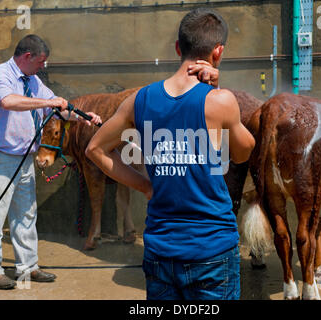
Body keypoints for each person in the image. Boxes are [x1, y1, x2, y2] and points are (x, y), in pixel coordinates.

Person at [85, 8, 254, 300]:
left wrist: (144, 185)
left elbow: (94, 149)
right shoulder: (221, 101)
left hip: (160, 252)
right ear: (218, 52)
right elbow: (243, 153)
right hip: (212, 251)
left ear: (178, 48)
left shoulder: (139, 100)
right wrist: (219, 91)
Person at [0, 34, 101, 290]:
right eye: (41, 61)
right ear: (27, 57)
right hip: (0, 156)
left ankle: (28, 266)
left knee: (26, 214)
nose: (43, 66)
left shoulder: (33, 81)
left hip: (24, 157)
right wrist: (48, 102)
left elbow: (57, 109)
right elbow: (8, 101)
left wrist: (82, 116)